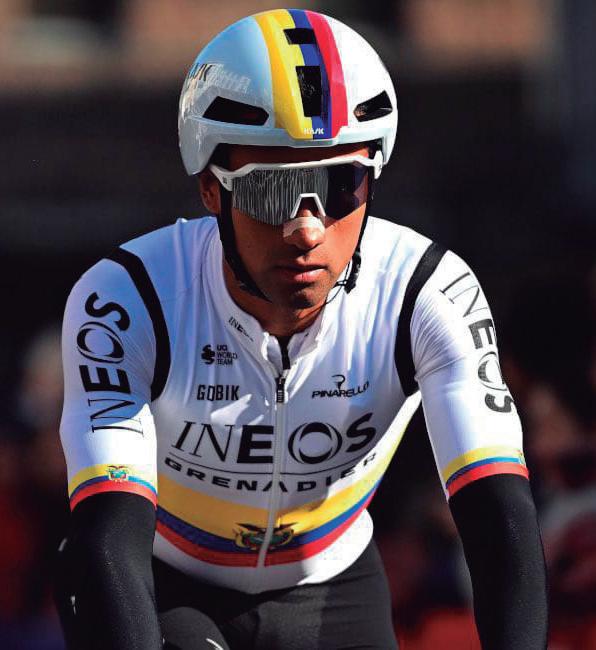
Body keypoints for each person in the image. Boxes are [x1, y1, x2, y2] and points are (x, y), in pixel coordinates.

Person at [55, 8, 548, 649]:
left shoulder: (426, 292)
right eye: (271, 191)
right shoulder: (129, 299)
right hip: (159, 580)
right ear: (211, 190)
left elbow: (499, 521)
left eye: (341, 185)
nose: (306, 229)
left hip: (333, 584)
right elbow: (108, 538)